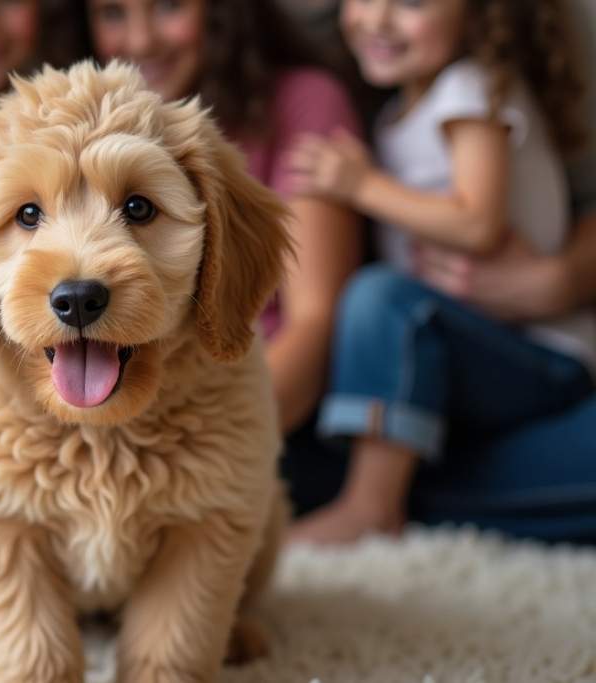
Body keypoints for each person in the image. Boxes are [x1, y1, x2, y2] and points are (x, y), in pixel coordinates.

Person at [285, 0, 594, 544]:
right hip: (465, 358)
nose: (377, 19)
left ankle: (370, 506)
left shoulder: (470, 90)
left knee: (382, 300)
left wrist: (362, 185)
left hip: (538, 353)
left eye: (411, 3)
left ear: (478, 16)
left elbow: (478, 223)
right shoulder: (397, 113)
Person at [85, 0, 364, 437]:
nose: (141, 40)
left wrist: (212, 450)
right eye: (113, 13)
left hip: (264, 418)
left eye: (168, 7)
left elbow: (315, 322)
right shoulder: (83, 127)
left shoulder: (305, 102)